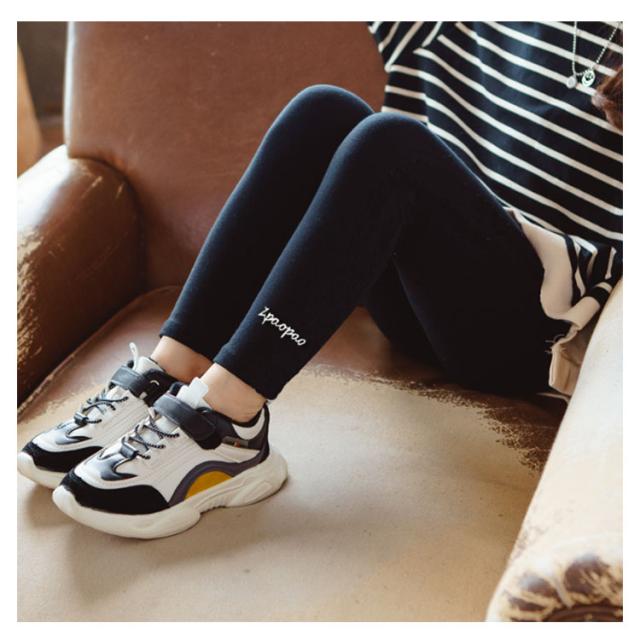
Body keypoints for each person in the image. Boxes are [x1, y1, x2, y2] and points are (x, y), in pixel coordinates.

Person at [18, 21, 622, 539]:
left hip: (530, 331)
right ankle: (170, 372)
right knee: (323, 111)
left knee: (393, 143)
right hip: (424, 295)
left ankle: (229, 426)